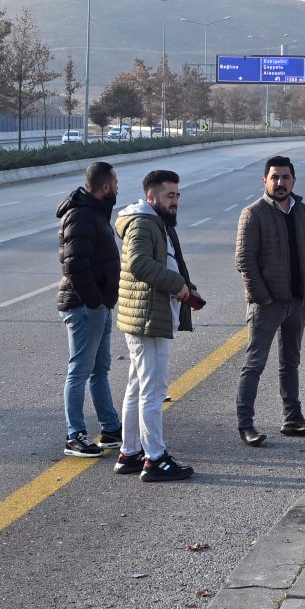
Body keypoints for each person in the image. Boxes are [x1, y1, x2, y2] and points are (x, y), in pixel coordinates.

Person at [113, 168, 202, 482]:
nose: (175, 201)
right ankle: (155, 459)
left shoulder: (152, 221)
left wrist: (186, 288)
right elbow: (138, 263)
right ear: (151, 197)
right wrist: (177, 284)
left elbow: (162, 260)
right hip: (148, 317)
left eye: (177, 195)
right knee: (153, 390)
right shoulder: (143, 223)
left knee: (138, 388)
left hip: (147, 313)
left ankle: (130, 453)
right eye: (169, 195)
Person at [233, 155, 305, 445]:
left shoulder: (304, 212)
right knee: (255, 363)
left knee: (290, 362)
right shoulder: (253, 214)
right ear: (265, 181)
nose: (280, 182)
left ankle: (292, 418)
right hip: (266, 304)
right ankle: (245, 424)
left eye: (285, 177)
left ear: (293, 180)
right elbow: (244, 260)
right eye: (274, 177)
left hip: (298, 302)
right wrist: (262, 296)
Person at [54, 160, 126, 458]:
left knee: (99, 370)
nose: (118, 189)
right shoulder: (81, 215)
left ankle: (110, 427)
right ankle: (75, 436)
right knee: (79, 371)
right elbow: (74, 266)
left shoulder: (93, 212)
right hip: (84, 307)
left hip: (97, 305)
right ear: (105, 186)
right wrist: (95, 301)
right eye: (116, 184)